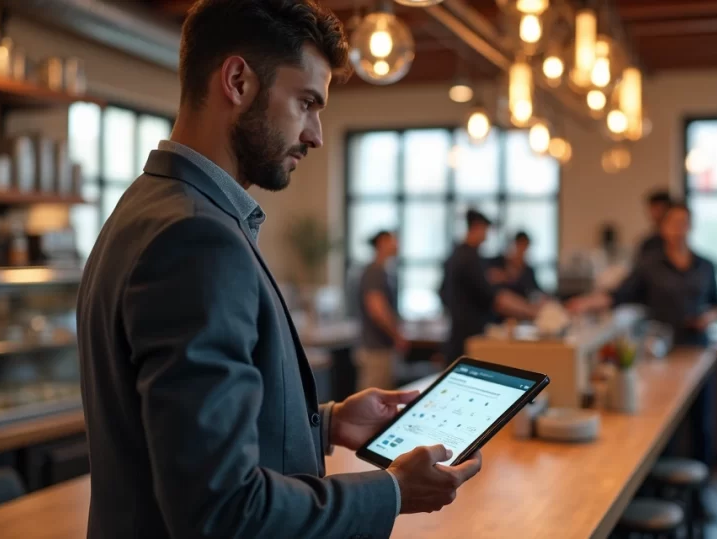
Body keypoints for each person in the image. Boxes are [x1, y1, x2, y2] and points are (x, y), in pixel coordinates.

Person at [76, 2, 481, 537]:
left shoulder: (149, 205)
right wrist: (393, 492)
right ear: (239, 80)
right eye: (306, 102)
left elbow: (179, 446)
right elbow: (221, 511)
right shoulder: (196, 238)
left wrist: (328, 423)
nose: (315, 133)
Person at [567, 202, 717, 516]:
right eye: (673, 222)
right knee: (665, 430)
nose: (679, 228)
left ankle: (700, 499)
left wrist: (708, 317)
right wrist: (586, 303)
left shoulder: (706, 264)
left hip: (697, 352)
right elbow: (618, 295)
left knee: (702, 427)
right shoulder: (649, 265)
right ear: (663, 228)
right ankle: (663, 496)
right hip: (661, 356)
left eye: (684, 222)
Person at [440, 209, 539, 362]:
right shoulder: (469, 259)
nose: (486, 236)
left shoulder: (461, 255)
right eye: (485, 230)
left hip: (462, 332)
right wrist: (531, 311)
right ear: (477, 227)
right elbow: (495, 298)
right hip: (468, 336)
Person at [357, 230, 406, 390]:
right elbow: (377, 310)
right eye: (392, 240)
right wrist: (397, 335)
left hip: (381, 347)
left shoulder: (383, 271)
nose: (397, 244)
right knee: (372, 398)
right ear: (382, 243)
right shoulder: (374, 272)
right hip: (376, 348)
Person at [488, 231, 543, 300]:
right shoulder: (498, 262)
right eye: (520, 245)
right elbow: (489, 277)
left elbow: (536, 290)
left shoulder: (528, 270)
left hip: (524, 303)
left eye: (525, 246)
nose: (522, 250)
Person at [635, 189, 672, 263]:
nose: (655, 214)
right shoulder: (649, 243)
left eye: (659, 209)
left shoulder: (676, 241)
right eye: (653, 210)